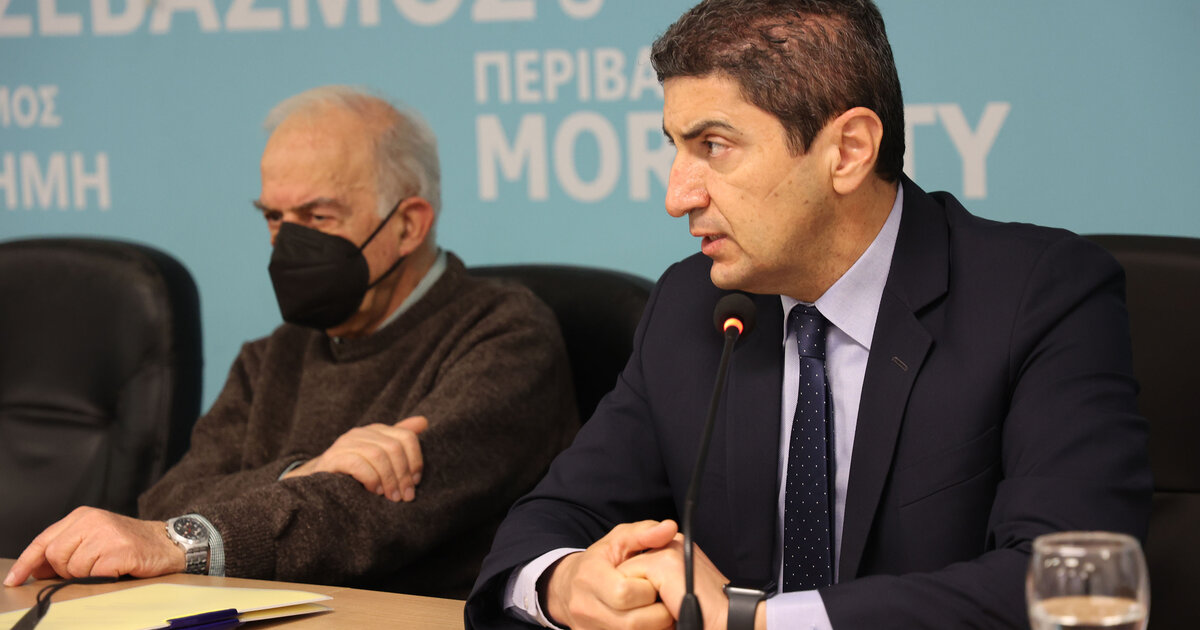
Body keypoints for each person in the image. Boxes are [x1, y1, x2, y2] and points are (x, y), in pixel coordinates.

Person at [465, 1, 1151, 628]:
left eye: (713, 146)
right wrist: (564, 583)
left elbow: (1073, 582)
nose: (677, 196)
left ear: (848, 151)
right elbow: (552, 519)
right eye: (674, 146)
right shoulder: (690, 305)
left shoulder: (1040, 295)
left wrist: (756, 622)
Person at [3, 85, 578, 599]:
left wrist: (189, 538)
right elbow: (167, 503)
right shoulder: (271, 355)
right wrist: (304, 470)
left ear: (408, 224)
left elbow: (370, 514)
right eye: (275, 218)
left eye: (318, 217)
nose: (289, 244)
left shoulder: (506, 335)